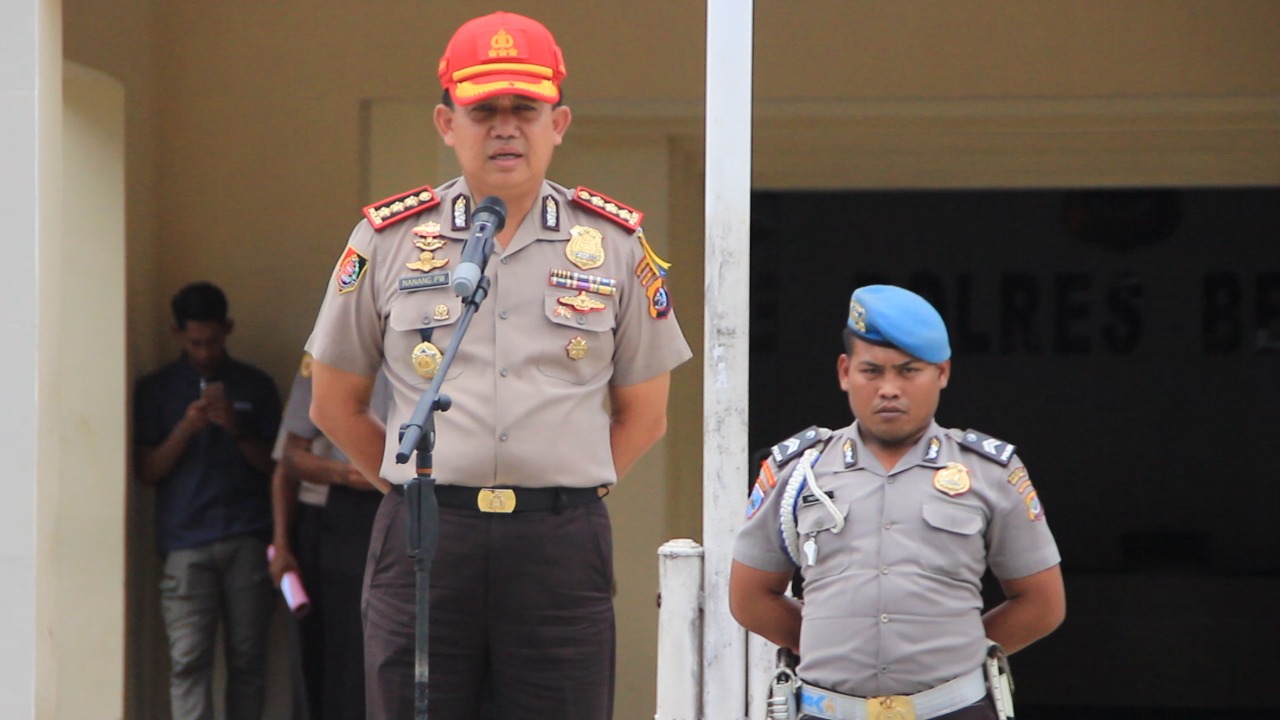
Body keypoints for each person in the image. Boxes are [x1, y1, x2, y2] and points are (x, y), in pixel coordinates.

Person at [303, 11, 693, 720]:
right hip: (425, 541)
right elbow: (334, 404)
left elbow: (647, 415)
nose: (505, 127)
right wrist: (408, 490)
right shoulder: (389, 239)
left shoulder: (612, 245)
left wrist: (563, 486)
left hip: (557, 546)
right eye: (484, 110)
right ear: (447, 123)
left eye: (525, 109)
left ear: (560, 123)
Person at [730, 285, 1065, 720]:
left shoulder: (990, 472)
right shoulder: (799, 469)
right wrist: (825, 642)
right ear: (844, 372)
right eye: (872, 371)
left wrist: (955, 649)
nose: (889, 389)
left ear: (942, 372)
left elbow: (1041, 604)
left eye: (909, 371)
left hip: (953, 709)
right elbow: (750, 596)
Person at [134, 281, 281, 720]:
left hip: (248, 540)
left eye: (213, 342)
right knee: (188, 661)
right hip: (185, 543)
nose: (204, 352)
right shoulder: (156, 389)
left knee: (248, 663)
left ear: (228, 329)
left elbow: (278, 469)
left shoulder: (256, 386)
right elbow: (147, 472)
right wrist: (184, 429)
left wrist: (237, 429)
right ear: (178, 333)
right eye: (195, 342)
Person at [269, 353, 391, 720]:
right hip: (342, 516)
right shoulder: (329, 355)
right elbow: (290, 458)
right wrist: (282, 543)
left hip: (413, 510)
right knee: (338, 652)